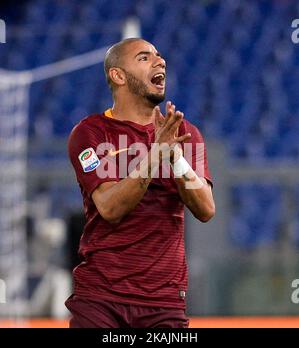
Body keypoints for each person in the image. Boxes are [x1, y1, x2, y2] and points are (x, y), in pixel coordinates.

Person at [65, 38, 215, 328]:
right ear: (118, 75)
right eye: (145, 58)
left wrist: (175, 158)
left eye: (159, 56)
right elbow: (110, 207)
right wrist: (155, 155)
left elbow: (206, 209)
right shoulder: (91, 133)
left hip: (165, 302)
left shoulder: (185, 133)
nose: (161, 62)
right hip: (101, 300)